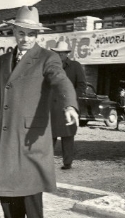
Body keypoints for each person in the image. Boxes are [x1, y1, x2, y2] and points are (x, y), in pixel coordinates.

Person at [0, 6, 79, 218]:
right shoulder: (4, 59)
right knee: (7, 184)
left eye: (30, 33)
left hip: (32, 133)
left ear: (37, 35)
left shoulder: (49, 58)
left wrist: (70, 105)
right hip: (7, 131)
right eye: (20, 32)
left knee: (30, 186)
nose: (25, 38)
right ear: (14, 32)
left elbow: (61, 80)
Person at [50, 41, 86, 170]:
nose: (60, 55)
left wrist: (70, 100)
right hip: (52, 108)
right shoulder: (51, 66)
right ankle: (46, 163)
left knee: (68, 136)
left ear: (67, 53)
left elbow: (82, 85)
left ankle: (67, 163)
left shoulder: (75, 66)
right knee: (50, 136)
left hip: (69, 107)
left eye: (63, 52)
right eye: (57, 52)